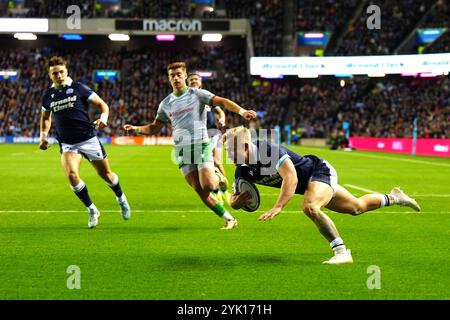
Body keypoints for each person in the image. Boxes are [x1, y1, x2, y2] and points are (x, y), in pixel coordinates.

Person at [223, 126, 421, 264]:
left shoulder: (267, 149)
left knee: (310, 207)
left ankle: (341, 252)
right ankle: (396, 197)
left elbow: (290, 176)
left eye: (231, 150)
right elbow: (233, 200)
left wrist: (278, 206)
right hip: (310, 185)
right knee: (356, 207)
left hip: (319, 171)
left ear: (246, 147)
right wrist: (237, 203)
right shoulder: (242, 170)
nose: (229, 156)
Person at [124, 62, 256, 230]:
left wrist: (242, 112)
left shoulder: (198, 94)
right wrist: (135, 128)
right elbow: (154, 127)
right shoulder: (165, 104)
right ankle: (229, 219)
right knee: (200, 191)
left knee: (208, 185)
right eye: (172, 75)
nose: (176, 78)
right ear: (169, 79)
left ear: (185, 76)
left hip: (201, 145)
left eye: (179, 74)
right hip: (182, 150)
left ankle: (218, 175)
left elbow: (222, 101)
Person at [39, 56, 131, 228]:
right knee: (72, 176)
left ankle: (121, 198)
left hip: (88, 139)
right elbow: (45, 117)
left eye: (61, 72)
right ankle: (92, 209)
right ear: (50, 75)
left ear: (66, 72)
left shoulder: (79, 88)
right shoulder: (48, 96)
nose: (58, 75)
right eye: (55, 73)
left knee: (107, 175)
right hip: (67, 143)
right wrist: (43, 136)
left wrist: (103, 118)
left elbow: (103, 105)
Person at [186, 71, 230, 205]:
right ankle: (216, 192)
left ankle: (225, 191)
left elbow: (219, 111)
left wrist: (222, 119)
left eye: (196, 79)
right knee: (208, 165)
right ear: (187, 84)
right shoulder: (185, 99)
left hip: (212, 133)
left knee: (217, 162)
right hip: (197, 137)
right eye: (191, 80)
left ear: (200, 82)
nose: (194, 81)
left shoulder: (206, 96)